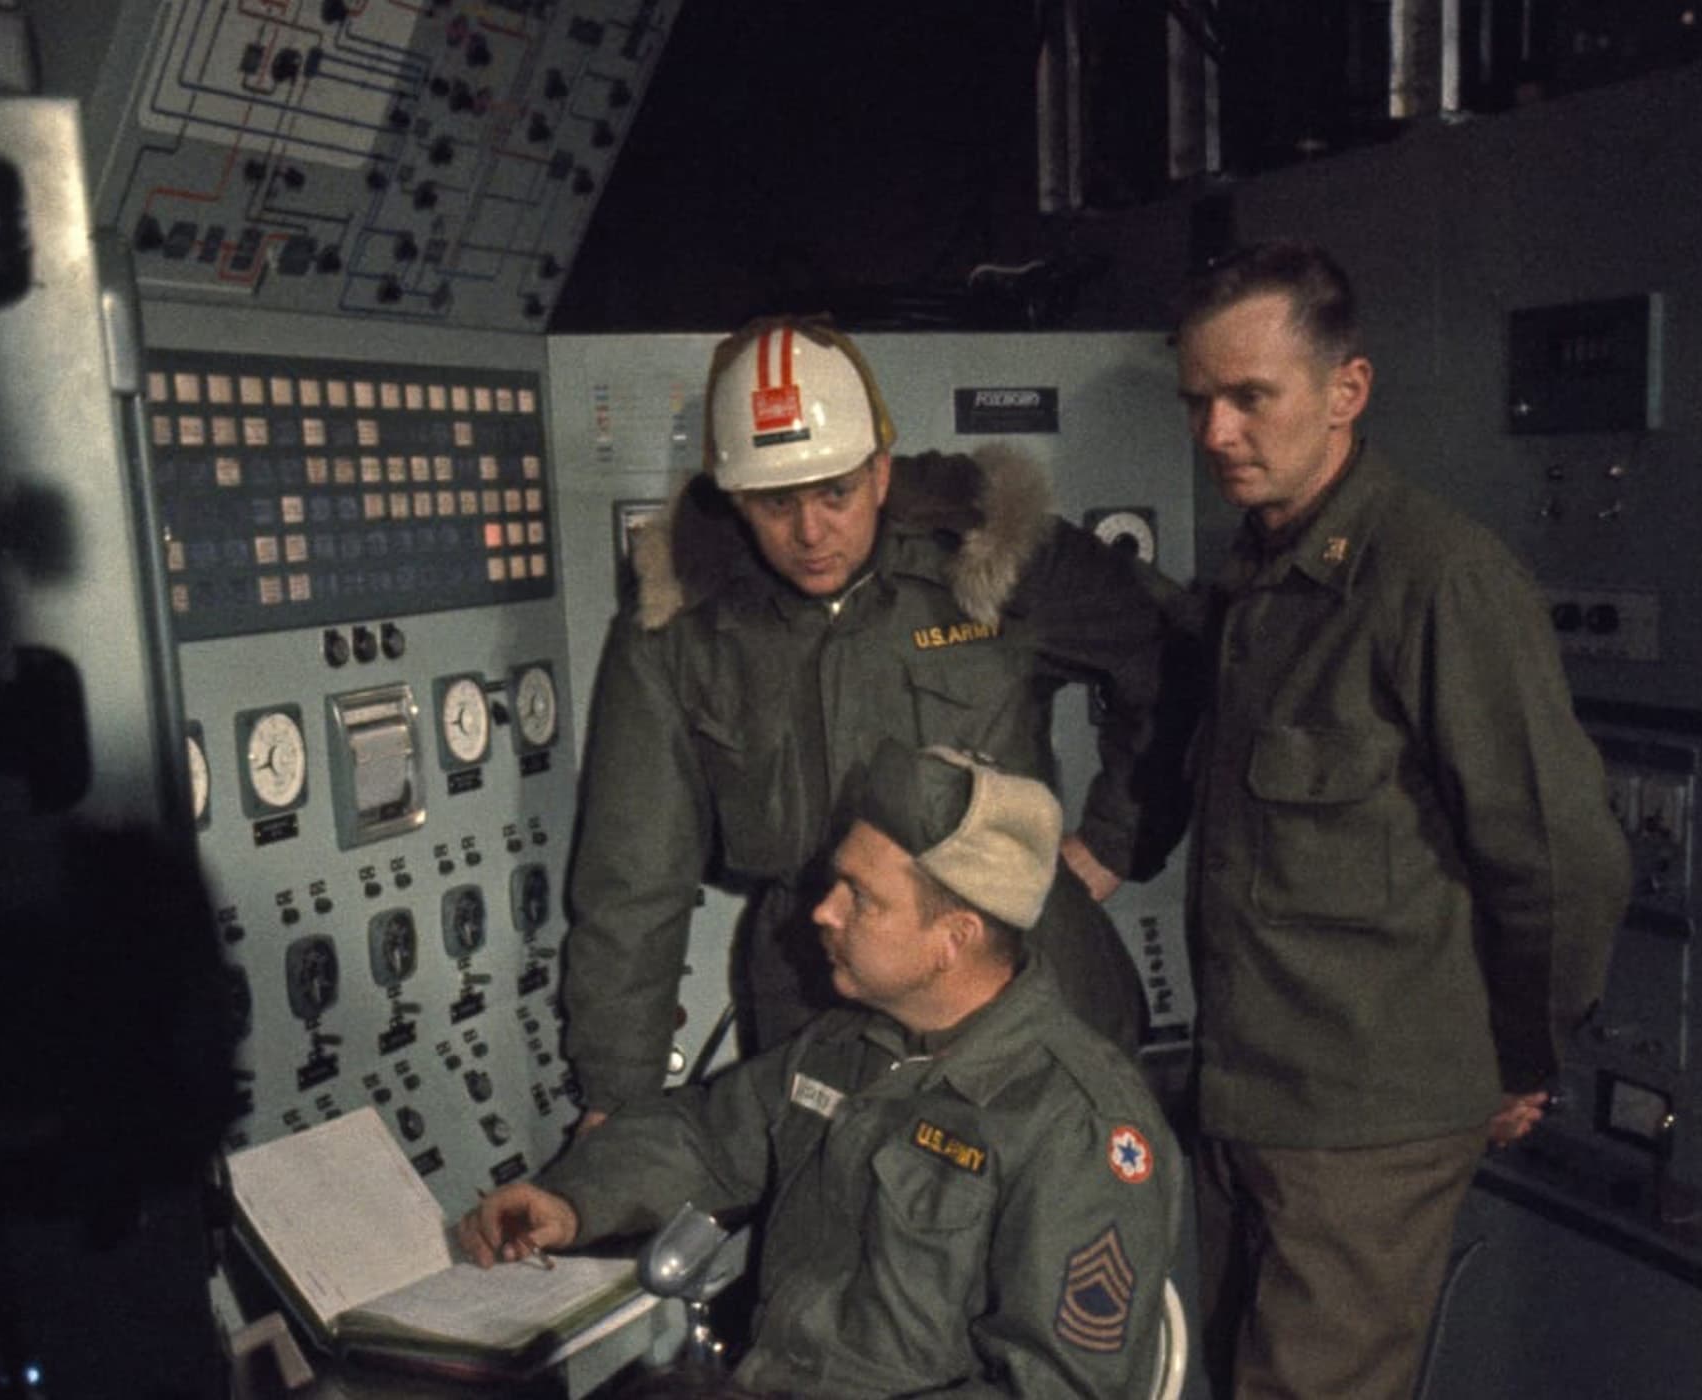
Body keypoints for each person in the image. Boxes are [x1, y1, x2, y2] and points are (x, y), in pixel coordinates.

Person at [1172, 240, 1630, 1399]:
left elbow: (1563, 855)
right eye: (1200, 400)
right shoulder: (1257, 575)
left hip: (1364, 1124)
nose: (1217, 432)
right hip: (1248, 1100)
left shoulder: (1438, 579)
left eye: (1249, 398)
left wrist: (1524, 1049)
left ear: (1347, 391)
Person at [562, 315, 1179, 1125]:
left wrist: (1116, 837)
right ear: (734, 497)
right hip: (818, 995)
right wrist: (617, 1099)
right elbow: (631, 880)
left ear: (880, 473)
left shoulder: (987, 554)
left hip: (1022, 983)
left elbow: (1168, 652)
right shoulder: (686, 628)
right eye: (776, 503)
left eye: (835, 493)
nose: (810, 532)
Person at [463, 742, 1183, 1398]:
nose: (825, 913)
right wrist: (574, 1202)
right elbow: (706, 1136)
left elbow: (1053, 1389)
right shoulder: (849, 1048)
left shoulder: (1077, 1125)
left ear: (952, 940)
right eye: (837, 883)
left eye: (861, 898)